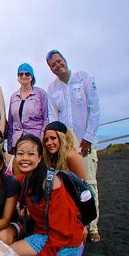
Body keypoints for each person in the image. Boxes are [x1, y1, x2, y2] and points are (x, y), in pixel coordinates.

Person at [10, 134, 84, 256]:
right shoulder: (26, 180)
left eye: (31, 154)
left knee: (9, 255)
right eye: (20, 153)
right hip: (45, 234)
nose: (25, 158)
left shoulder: (51, 183)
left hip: (64, 241)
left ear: (39, 158)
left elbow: (63, 231)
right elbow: (6, 181)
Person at [46, 49, 101, 243]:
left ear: (64, 60)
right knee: (69, 185)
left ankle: (92, 226)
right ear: (50, 68)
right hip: (65, 147)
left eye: (59, 61)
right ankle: (76, 223)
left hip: (85, 143)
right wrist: (55, 141)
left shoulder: (84, 78)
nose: (57, 65)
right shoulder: (52, 89)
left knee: (88, 183)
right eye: (53, 64)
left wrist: (88, 137)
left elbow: (94, 108)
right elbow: (52, 116)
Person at [7, 63, 48, 153]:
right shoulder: (13, 97)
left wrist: (42, 139)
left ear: (32, 77)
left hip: (35, 141)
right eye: (21, 74)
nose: (24, 76)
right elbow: (10, 123)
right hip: (17, 142)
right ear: (17, 77)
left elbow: (46, 118)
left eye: (27, 74)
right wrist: (9, 145)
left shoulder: (41, 94)